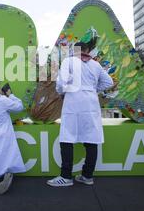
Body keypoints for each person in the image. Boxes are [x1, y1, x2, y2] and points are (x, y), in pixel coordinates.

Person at [47, 42, 114, 187]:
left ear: (74, 50)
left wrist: (63, 92)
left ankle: (66, 176)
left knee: (67, 138)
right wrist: (92, 89)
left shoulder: (68, 61)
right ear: (88, 50)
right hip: (90, 103)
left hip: (73, 101)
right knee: (91, 139)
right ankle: (87, 176)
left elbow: (60, 83)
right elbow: (108, 82)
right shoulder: (95, 65)